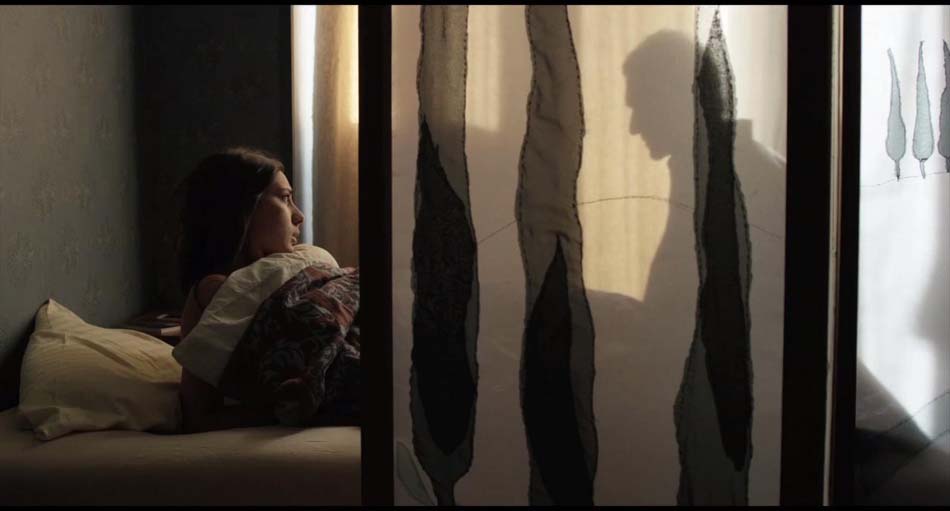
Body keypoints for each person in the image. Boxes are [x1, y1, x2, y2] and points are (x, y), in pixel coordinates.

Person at [175, 146, 306, 433]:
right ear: (244, 210)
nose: (299, 216)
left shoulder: (299, 265)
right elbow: (198, 416)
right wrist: (294, 410)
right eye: (285, 199)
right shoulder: (215, 292)